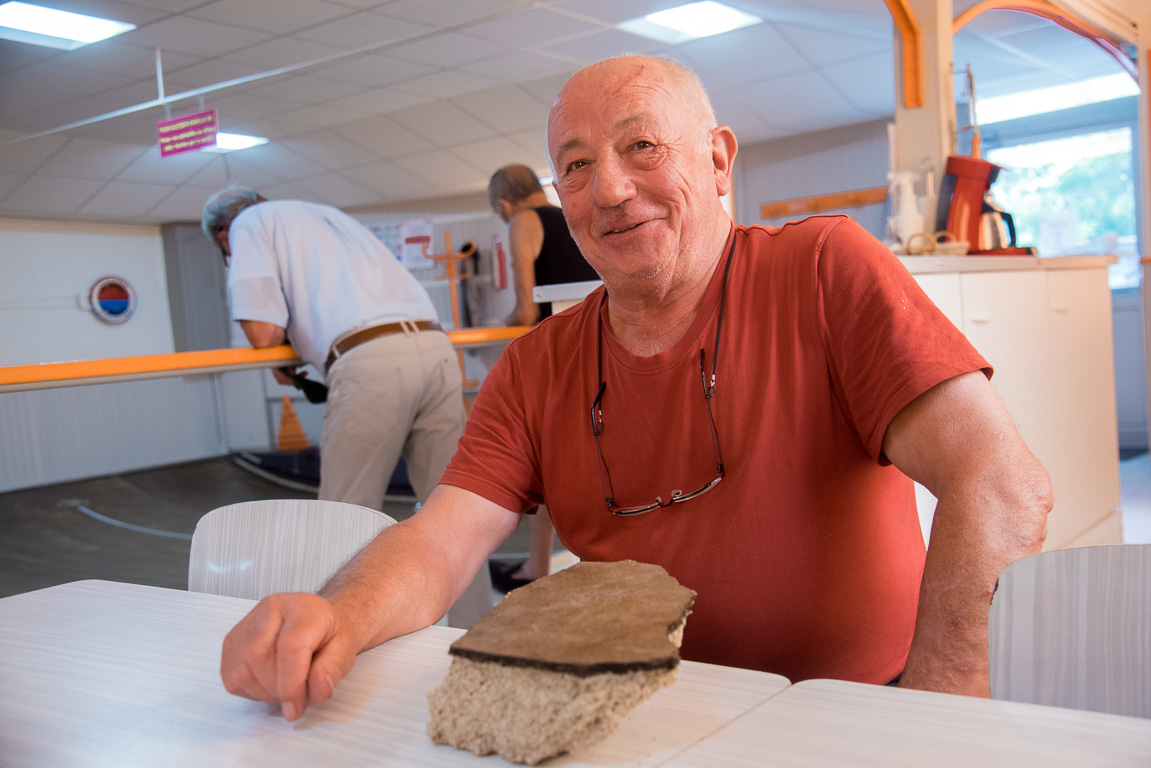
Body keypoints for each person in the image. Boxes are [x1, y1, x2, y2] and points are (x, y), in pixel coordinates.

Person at [218, 56, 1052, 721]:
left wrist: (937, 714)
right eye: (574, 166)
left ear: (718, 161)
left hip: (854, 712)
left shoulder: (823, 270)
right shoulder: (537, 364)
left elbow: (1000, 482)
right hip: (643, 720)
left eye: (640, 146)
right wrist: (339, 614)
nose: (608, 190)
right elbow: (439, 543)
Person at [200, 187, 492, 627]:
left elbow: (261, 331)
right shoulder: (325, 215)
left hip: (371, 362)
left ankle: (331, 640)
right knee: (451, 510)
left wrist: (282, 356)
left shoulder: (249, 226)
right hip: (434, 349)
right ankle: (475, 636)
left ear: (224, 233)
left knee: (341, 520)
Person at [485, 164, 601, 591]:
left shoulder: (523, 220)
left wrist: (502, 324)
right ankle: (537, 564)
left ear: (503, 204)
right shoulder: (572, 217)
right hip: (598, 343)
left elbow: (526, 308)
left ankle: (536, 567)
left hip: (561, 354)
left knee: (549, 464)